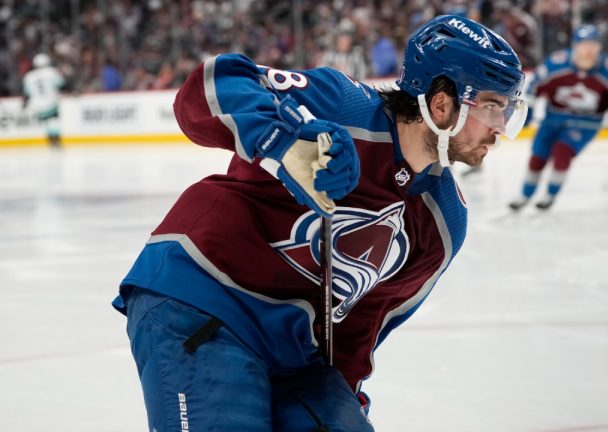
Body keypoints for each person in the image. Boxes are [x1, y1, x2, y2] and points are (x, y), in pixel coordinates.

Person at [112, 14, 527, 432]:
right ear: (442, 104)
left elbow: (361, 326)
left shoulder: (444, 222)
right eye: (492, 106)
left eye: (508, 110)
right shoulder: (340, 104)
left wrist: (342, 401)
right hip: (203, 294)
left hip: (296, 350)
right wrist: (286, 139)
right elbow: (204, 91)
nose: (500, 127)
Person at [509, 24, 608, 211]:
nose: (589, 49)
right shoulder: (557, 63)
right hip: (553, 119)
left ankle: (550, 194)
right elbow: (535, 87)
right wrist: (529, 110)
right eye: (584, 44)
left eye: (594, 44)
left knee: (562, 152)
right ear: (575, 45)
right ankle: (525, 195)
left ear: (599, 47)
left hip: (586, 123)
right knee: (538, 158)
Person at [22, 53, 65, 148]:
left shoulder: (29, 76)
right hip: (52, 103)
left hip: (37, 106)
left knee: (47, 122)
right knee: (53, 121)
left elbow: (26, 93)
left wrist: (24, 103)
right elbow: (61, 84)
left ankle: (51, 140)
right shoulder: (52, 72)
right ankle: (56, 140)